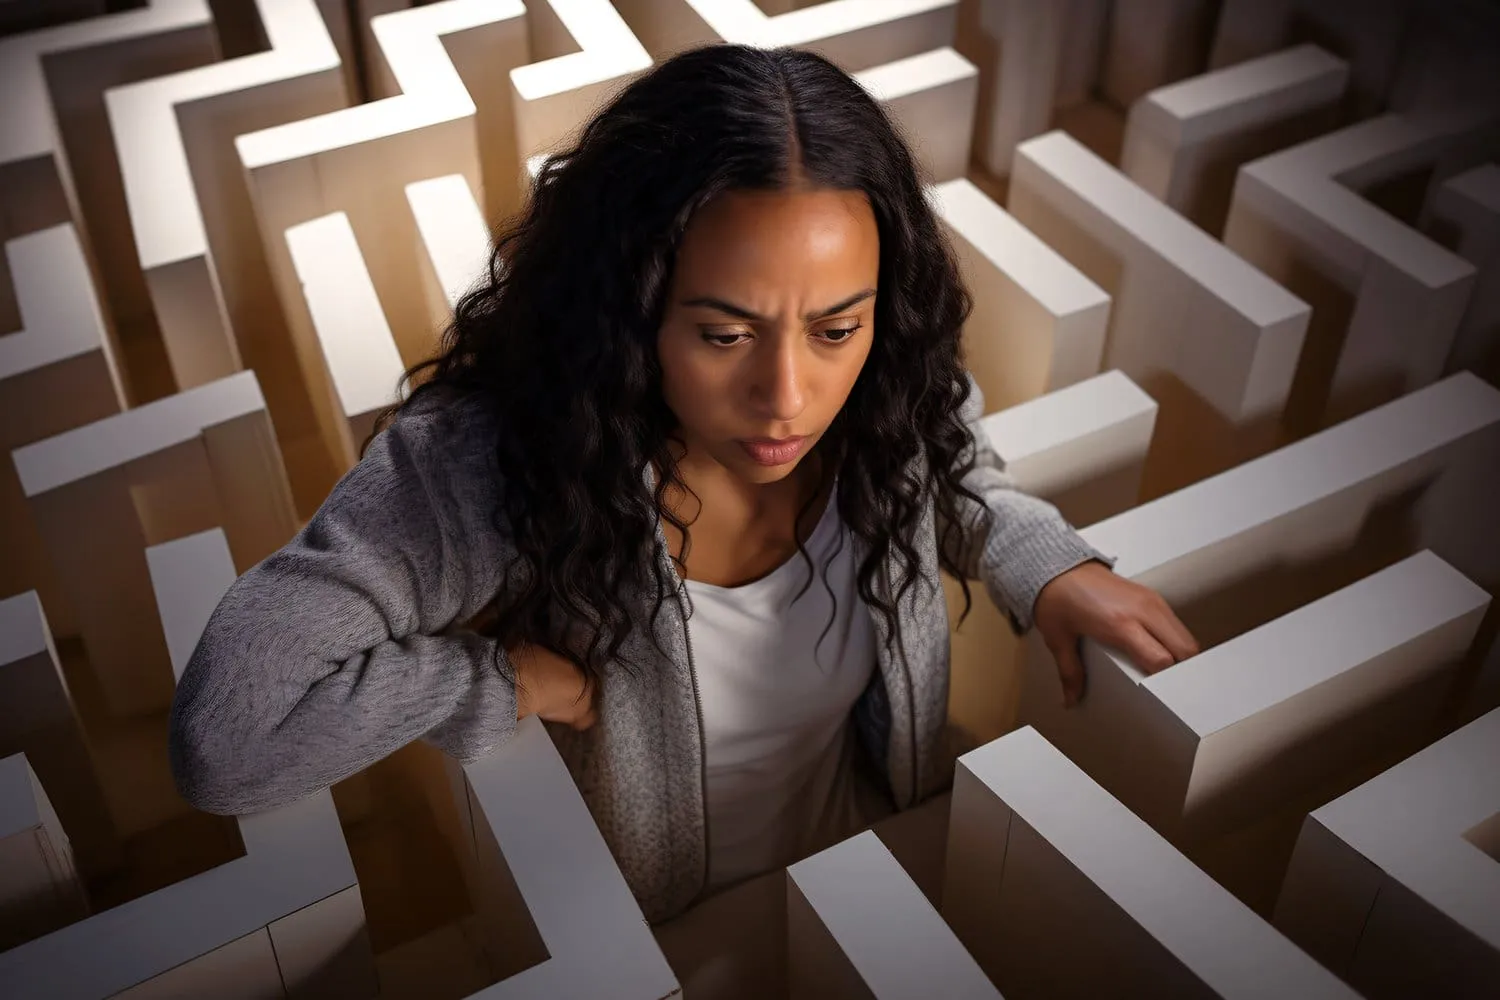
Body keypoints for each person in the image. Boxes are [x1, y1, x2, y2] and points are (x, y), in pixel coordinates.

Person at [168, 43, 1199, 935]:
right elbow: (228, 739)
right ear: (627, 307)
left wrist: (1044, 564)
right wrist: (494, 683)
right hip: (664, 937)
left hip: (868, 860)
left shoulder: (883, 384)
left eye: (836, 328)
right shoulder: (497, 461)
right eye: (724, 334)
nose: (788, 397)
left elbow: (955, 469)